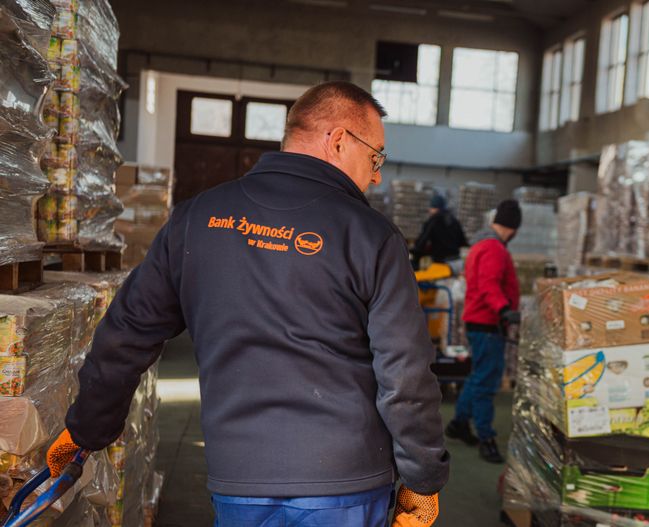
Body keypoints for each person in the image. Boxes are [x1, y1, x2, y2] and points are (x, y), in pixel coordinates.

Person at [46, 81, 449, 527]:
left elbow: (127, 333)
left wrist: (86, 430)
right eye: (376, 158)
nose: (376, 176)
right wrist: (422, 478)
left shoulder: (196, 219)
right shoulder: (372, 236)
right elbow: (405, 372)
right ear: (338, 140)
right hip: (344, 484)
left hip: (239, 481)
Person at [444, 200, 522, 464]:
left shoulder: (481, 245)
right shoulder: (494, 249)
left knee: (478, 376)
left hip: (480, 322)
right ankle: (486, 437)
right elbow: (489, 285)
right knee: (486, 382)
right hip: (487, 323)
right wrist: (504, 310)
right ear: (513, 227)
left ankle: (459, 423)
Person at [412, 194, 468, 265]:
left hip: (441, 262)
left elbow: (421, 243)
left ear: (434, 207)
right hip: (456, 262)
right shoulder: (454, 221)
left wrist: (415, 254)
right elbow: (463, 242)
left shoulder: (433, 221)